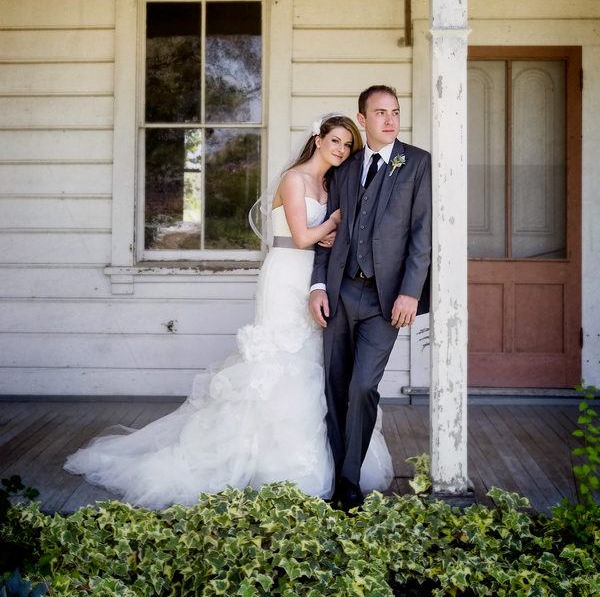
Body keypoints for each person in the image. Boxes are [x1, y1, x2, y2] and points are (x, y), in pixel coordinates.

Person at [64, 114, 393, 510]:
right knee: (278, 361)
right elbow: (303, 236)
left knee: (316, 364)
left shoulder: (331, 184)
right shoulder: (294, 180)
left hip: (317, 279)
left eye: (348, 146)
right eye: (336, 141)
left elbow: (323, 240)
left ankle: (326, 463)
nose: (341, 150)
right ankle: (268, 465)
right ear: (318, 139)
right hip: (286, 275)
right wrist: (338, 220)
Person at [310, 85, 432, 513]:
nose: (389, 120)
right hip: (341, 292)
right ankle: (339, 472)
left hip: (385, 299)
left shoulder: (416, 163)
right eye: (379, 113)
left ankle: (348, 481)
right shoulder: (344, 168)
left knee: (363, 386)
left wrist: (410, 293)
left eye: (395, 112)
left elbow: (422, 235)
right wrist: (318, 286)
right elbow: (327, 236)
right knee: (335, 385)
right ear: (362, 119)